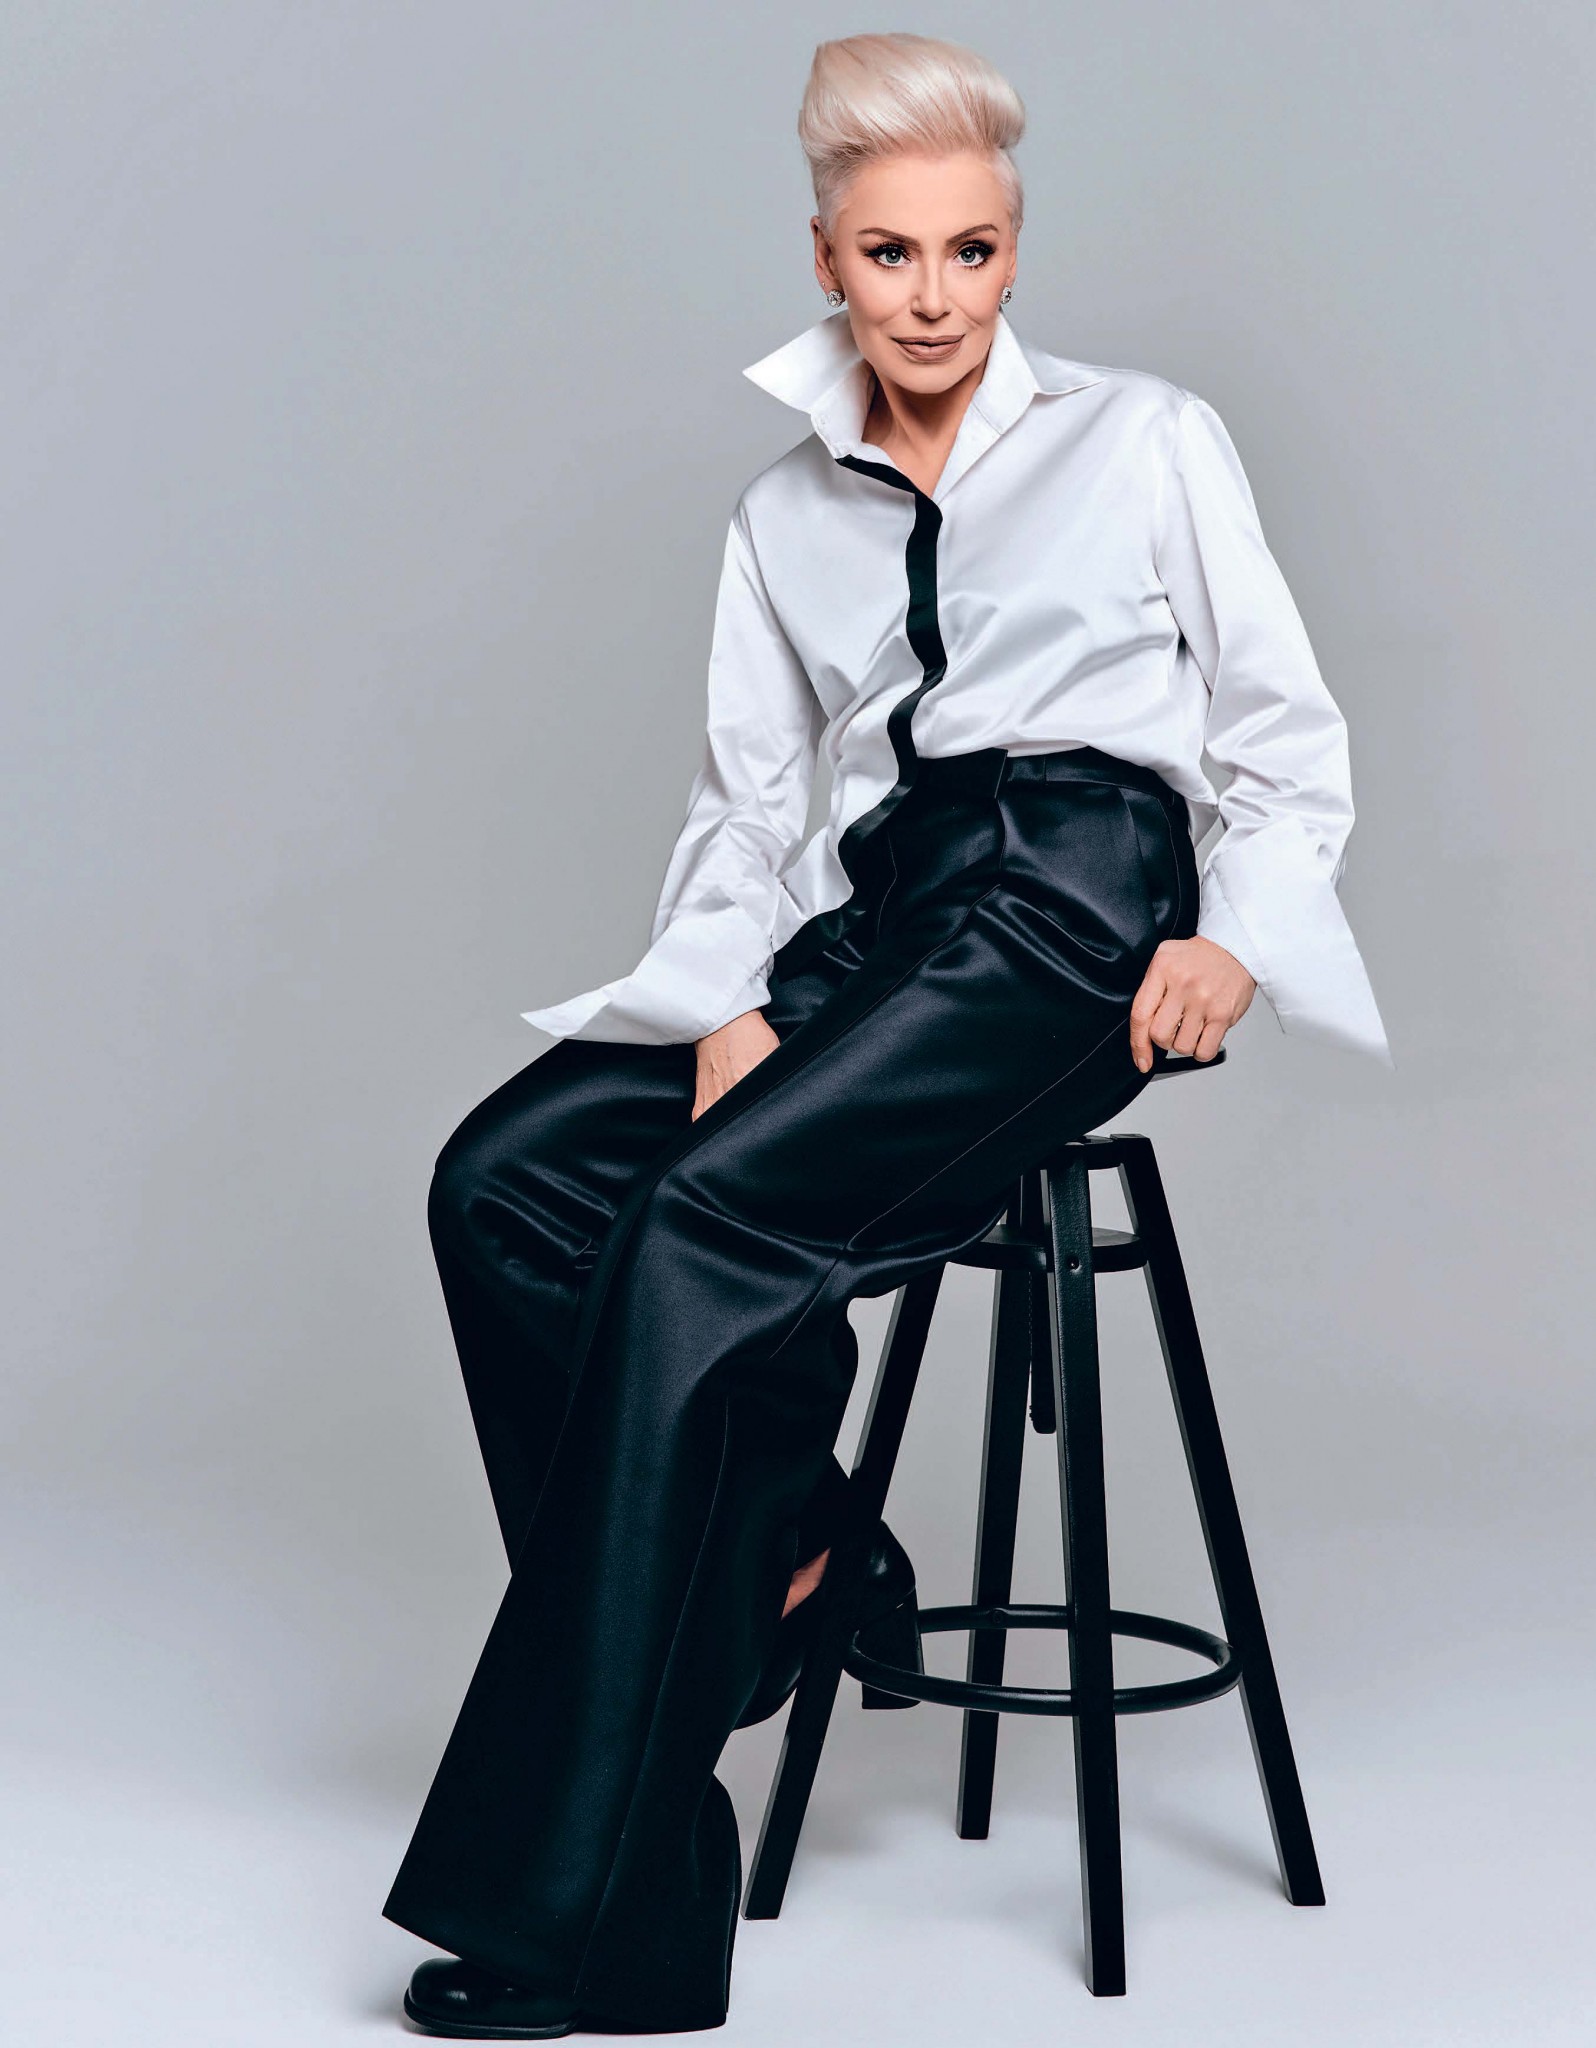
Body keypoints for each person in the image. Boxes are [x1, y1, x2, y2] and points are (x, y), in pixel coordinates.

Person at [382, 30, 1390, 2040]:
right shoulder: (782, 514)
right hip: (879, 917)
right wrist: (731, 1002)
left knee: (700, 1232)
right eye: (890, 253)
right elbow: (749, 809)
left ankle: (614, 1911)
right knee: (505, 1186)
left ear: (1015, 248)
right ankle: (795, 1541)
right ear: (827, 257)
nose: (934, 298)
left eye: (972, 251)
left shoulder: (1144, 438)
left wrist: (1239, 937)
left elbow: (1281, 731)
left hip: (1074, 914)